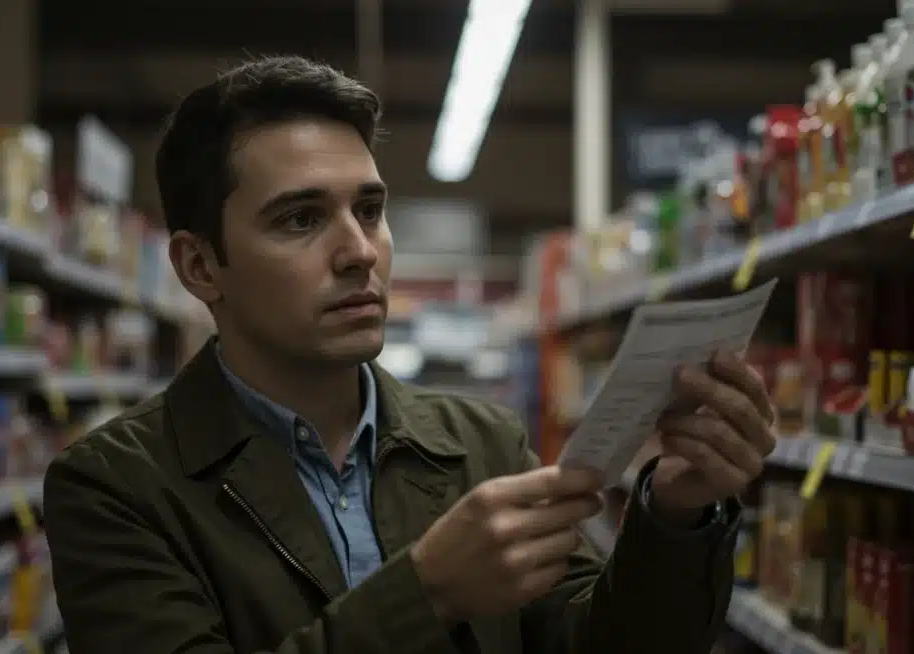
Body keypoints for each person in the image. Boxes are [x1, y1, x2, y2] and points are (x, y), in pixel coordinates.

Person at [43, 55, 777, 654]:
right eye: (300, 219)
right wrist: (426, 593)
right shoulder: (116, 487)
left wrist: (677, 517)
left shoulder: (479, 444)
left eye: (369, 210)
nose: (360, 252)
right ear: (200, 267)